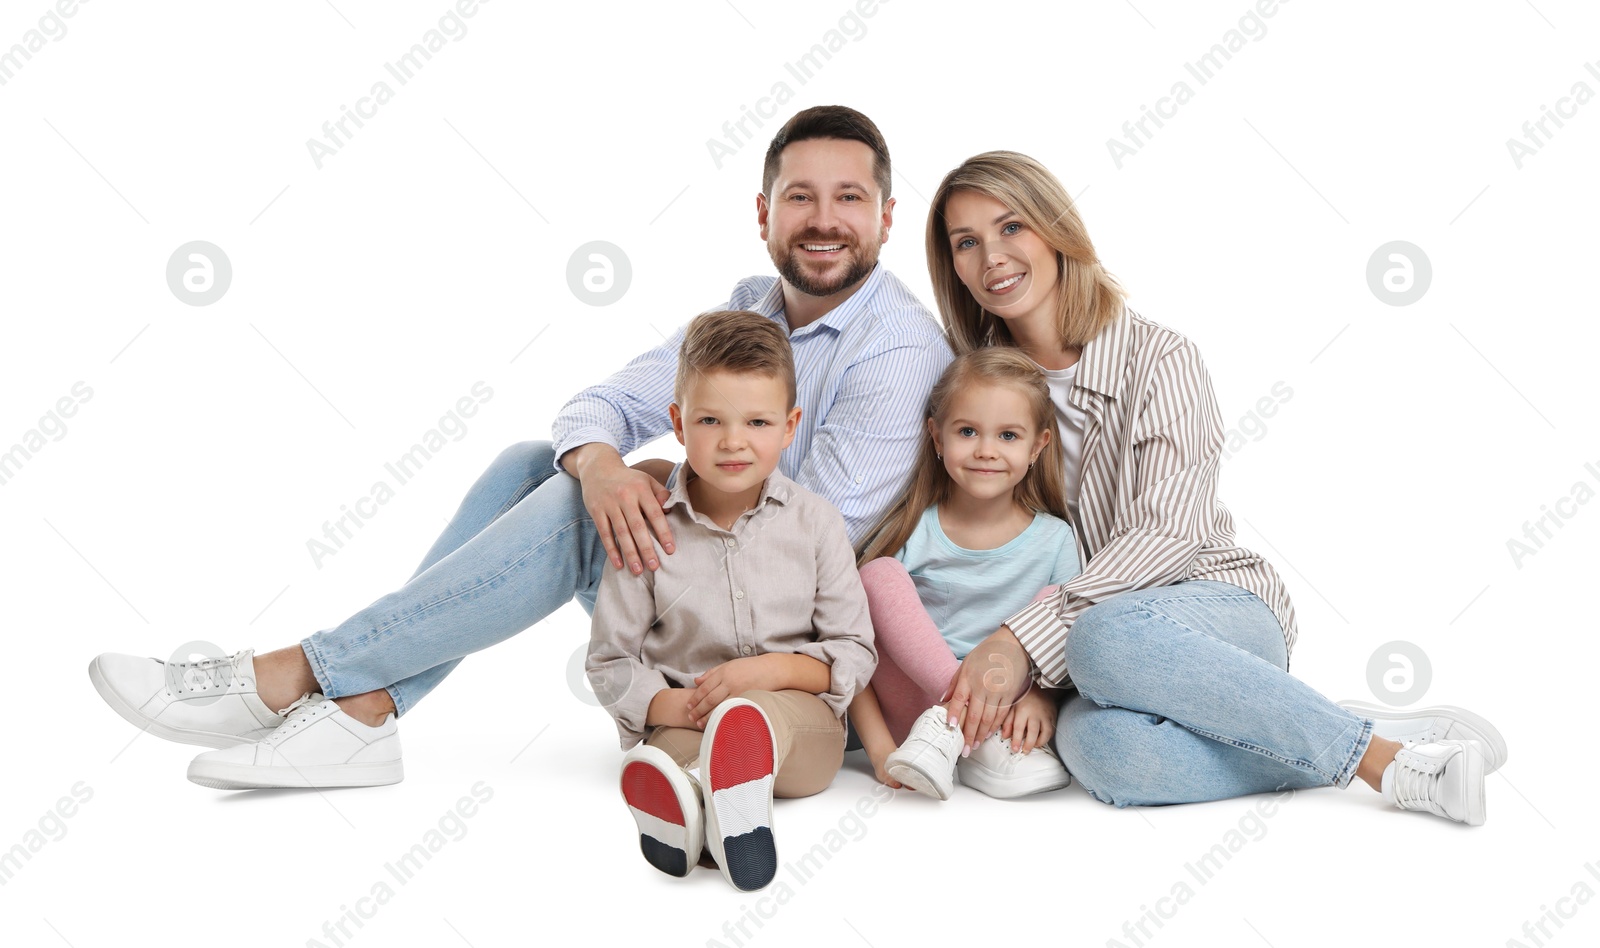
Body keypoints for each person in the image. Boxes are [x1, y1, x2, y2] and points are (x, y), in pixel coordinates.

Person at [86, 105, 952, 789]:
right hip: (705, 591)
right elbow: (599, 404)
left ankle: (300, 678)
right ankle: (362, 714)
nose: (824, 219)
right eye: (801, 196)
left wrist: (659, 476)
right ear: (765, 214)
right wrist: (609, 463)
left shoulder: (899, 345)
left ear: (884, 218)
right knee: (534, 464)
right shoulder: (749, 314)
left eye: (849, 198)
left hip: (785, 649)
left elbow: (810, 530)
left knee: (587, 510)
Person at [929, 151, 1507, 824]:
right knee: (1101, 750)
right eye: (965, 242)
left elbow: (1167, 536)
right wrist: (1042, 683)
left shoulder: (1160, 357)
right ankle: (1326, 725)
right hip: (1093, 652)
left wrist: (1022, 643)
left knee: (1104, 638)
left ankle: (1389, 765)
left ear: (1056, 233)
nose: (991, 256)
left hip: (1216, 608)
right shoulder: (977, 393)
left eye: (1011, 228)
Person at [590, 309, 875, 893]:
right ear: (677, 422)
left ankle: (706, 791)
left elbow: (856, 648)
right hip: (686, 719)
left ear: (791, 425)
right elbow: (609, 660)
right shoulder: (648, 528)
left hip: (801, 726)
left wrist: (770, 672)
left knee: (757, 720)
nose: (733, 441)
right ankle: (705, 809)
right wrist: (672, 708)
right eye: (711, 420)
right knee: (673, 753)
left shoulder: (816, 523)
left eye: (758, 421)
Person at [845, 349, 1080, 801]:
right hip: (915, 708)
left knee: (1064, 600)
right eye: (967, 431)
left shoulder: (1055, 540)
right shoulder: (915, 529)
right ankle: (959, 729)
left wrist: (1043, 699)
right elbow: (849, 647)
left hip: (1009, 707)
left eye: (1008, 435)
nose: (986, 450)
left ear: (1037, 446)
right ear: (936, 437)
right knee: (877, 575)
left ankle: (974, 739)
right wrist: (879, 751)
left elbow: (1065, 643)